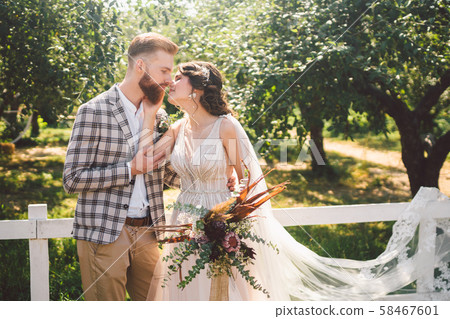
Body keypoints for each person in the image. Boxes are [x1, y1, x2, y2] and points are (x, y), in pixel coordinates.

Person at [142, 61, 450, 301]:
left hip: (221, 222)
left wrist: (233, 220)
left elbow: (250, 178)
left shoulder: (225, 127)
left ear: (196, 87)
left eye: (178, 78)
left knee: (223, 289)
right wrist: (152, 111)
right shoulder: (179, 128)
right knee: (183, 287)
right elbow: (147, 158)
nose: (171, 83)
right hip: (183, 220)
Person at [63, 33, 235, 301]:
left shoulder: (161, 115)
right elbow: (72, 179)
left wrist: (214, 178)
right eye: (165, 70)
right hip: (105, 232)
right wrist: (130, 169)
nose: (169, 79)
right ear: (141, 66)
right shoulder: (94, 110)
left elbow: (166, 174)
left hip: (149, 232)